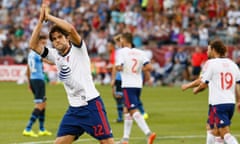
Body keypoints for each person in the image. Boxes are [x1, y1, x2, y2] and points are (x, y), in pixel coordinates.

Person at [28, 4, 114, 144]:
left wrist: (49, 17)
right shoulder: (54, 55)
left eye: (60, 37)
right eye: (54, 39)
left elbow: (71, 29)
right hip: (74, 110)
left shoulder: (79, 49)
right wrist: (40, 21)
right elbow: (33, 45)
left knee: (107, 143)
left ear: (67, 38)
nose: (57, 41)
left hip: (91, 105)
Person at [181, 39, 240, 144]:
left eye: (208, 49)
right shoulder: (233, 64)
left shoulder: (211, 63)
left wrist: (194, 89)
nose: (207, 52)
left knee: (224, 132)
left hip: (219, 103)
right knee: (211, 128)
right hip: (229, 103)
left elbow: (203, 83)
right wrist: (239, 100)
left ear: (213, 50)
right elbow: (238, 85)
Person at [115, 32, 156, 144]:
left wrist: (117, 67)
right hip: (138, 84)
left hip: (128, 84)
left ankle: (149, 133)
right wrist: (137, 69)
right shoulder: (140, 52)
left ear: (124, 40)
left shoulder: (121, 52)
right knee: (126, 110)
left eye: (120, 40)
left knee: (133, 110)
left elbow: (119, 67)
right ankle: (125, 139)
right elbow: (149, 67)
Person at [22, 35, 52, 137]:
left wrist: (29, 83)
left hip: (33, 80)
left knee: (43, 103)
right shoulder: (38, 52)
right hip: (39, 80)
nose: (44, 45)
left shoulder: (31, 53)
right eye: (43, 43)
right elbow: (49, 61)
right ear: (38, 42)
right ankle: (28, 128)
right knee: (40, 105)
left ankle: (42, 129)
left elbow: (28, 68)